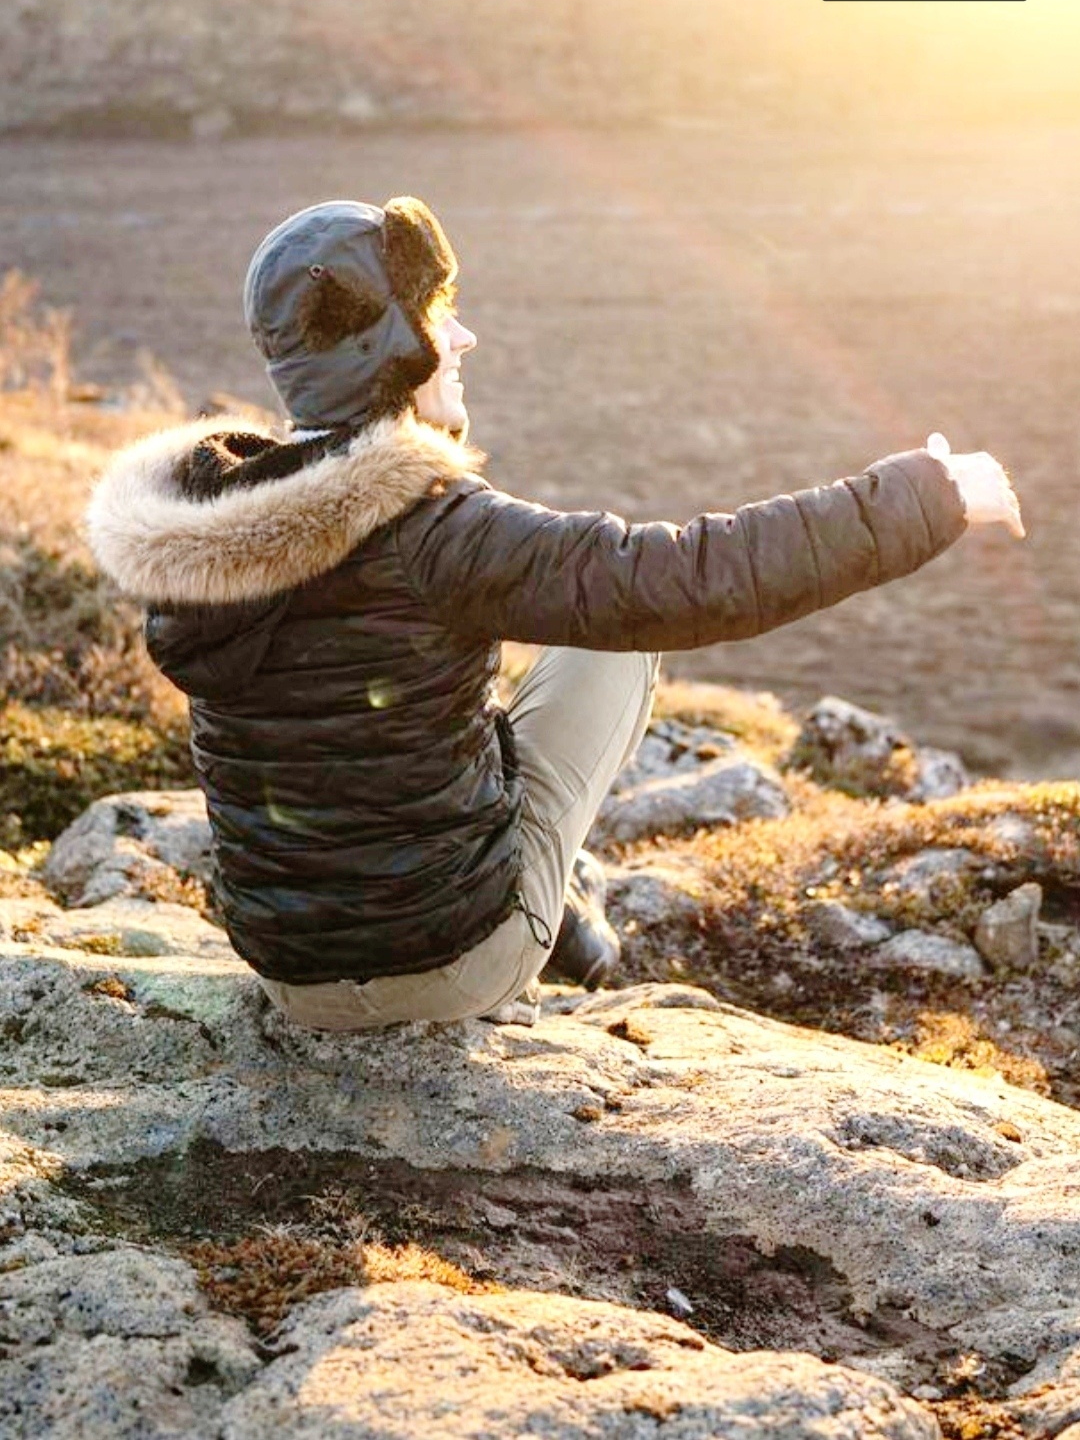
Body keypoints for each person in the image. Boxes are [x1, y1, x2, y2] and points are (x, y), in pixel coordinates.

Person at [86, 196, 1024, 1033]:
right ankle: (546, 914)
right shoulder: (435, 527)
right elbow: (689, 578)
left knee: (424, 686)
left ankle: (557, 906)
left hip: (290, 976)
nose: (464, 338)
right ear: (388, 346)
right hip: (450, 964)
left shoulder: (213, 535)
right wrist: (925, 495)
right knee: (619, 642)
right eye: (438, 314)